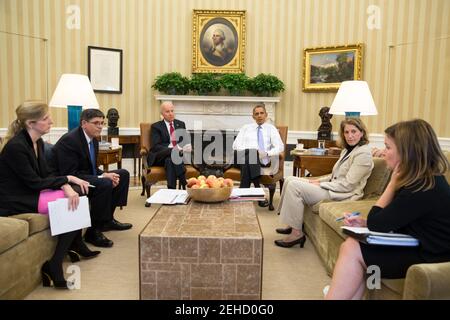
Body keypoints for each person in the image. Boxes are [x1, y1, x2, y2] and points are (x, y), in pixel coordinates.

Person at [325, 119, 450, 300]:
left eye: (388, 147)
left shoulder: (423, 187)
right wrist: (364, 222)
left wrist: (391, 184)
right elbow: (392, 219)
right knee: (354, 244)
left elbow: (378, 224)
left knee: (353, 247)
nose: (383, 153)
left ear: (407, 152)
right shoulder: (421, 179)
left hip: (433, 256)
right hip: (420, 244)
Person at [0, 101, 100, 289]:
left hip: (31, 193)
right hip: (15, 200)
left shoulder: (35, 142)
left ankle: (65, 253)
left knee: (78, 194)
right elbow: (34, 182)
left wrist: (66, 185)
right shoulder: (17, 147)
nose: (51, 121)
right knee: (77, 202)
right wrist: (67, 180)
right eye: (46, 119)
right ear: (31, 123)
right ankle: (56, 263)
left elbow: (46, 175)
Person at [274, 118, 373, 248]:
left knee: (294, 186)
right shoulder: (348, 150)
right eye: (346, 132)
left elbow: (348, 185)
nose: (350, 135)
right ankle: (293, 224)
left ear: (362, 132)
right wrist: (315, 180)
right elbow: (334, 176)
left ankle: (297, 234)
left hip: (343, 193)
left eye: (354, 131)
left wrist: (320, 185)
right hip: (334, 187)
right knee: (289, 179)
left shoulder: (363, 154)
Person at [50, 109, 132, 248]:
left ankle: (108, 220)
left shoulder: (92, 140)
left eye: (102, 123)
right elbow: (71, 173)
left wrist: (103, 173)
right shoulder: (70, 141)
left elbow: (91, 168)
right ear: (84, 123)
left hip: (84, 176)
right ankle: (93, 231)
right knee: (105, 183)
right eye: (96, 123)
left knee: (122, 174)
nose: (100, 126)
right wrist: (102, 176)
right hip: (70, 180)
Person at [232, 105, 284, 207]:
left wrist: (267, 153)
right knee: (251, 154)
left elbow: (280, 147)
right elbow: (235, 145)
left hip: (261, 159)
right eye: (256, 114)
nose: (259, 116)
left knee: (250, 159)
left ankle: (245, 192)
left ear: (266, 115)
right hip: (241, 156)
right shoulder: (246, 128)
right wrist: (252, 151)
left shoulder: (271, 129)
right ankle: (258, 192)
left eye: (261, 113)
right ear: (253, 116)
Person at [147, 101, 191, 189]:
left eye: (172, 111)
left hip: (174, 157)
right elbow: (156, 146)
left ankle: (171, 190)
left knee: (170, 160)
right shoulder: (156, 127)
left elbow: (184, 142)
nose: (171, 114)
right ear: (162, 113)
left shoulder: (181, 124)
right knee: (172, 155)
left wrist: (187, 146)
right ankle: (184, 182)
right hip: (160, 156)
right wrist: (174, 149)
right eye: (167, 111)